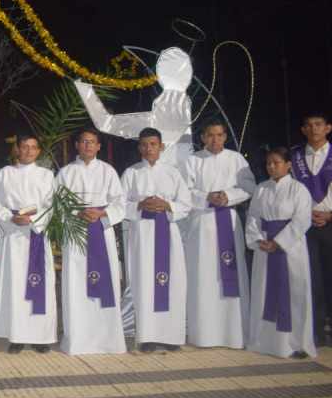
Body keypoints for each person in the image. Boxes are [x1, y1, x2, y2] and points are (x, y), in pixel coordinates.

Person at [180, 119, 256, 349]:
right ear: (202, 137)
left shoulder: (236, 159)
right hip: (202, 223)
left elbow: (249, 187)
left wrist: (227, 195)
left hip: (229, 223)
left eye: (219, 135)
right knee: (204, 275)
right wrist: (207, 197)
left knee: (231, 272)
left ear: (225, 137)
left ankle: (233, 333)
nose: (215, 140)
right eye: (210, 135)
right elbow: (183, 191)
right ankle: (204, 333)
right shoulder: (193, 160)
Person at [53, 128, 127, 355]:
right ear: (76, 145)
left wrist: (102, 214)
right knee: (76, 284)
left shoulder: (108, 171)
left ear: (99, 146)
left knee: (106, 280)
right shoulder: (65, 173)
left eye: (92, 142)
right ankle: (77, 339)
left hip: (101, 233)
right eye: (83, 141)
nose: (87, 145)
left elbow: (120, 203)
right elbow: (55, 205)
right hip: (76, 235)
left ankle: (108, 339)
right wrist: (77, 214)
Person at [121, 127, 192, 353]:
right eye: (144, 144)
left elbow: (186, 204)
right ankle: (148, 336)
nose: (149, 148)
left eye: (153, 144)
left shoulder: (172, 173)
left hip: (167, 233)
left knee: (170, 282)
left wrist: (167, 205)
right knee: (144, 282)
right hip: (142, 232)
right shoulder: (131, 173)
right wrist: (139, 205)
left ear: (161, 147)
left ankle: (171, 336)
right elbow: (120, 205)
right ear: (139, 147)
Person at [246, 147, 317, 359]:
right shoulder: (261, 189)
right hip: (265, 247)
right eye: (269, 163)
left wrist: (278, 242)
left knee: (294, 293)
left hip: (290, 248)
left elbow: (301, 220)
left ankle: (295, 343)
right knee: (264, 291)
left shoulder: (298, 189)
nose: (272, 167)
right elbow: (253, 217)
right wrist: (258, 238)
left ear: (288, 164)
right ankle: (264, 341)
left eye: (277, 162)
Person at [0, 133, 57, 353]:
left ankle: (40, 337)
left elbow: (51, 203)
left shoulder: (47, 175)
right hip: (15, 237)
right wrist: (11, 218)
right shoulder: (5, 174)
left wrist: (34, 220)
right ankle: (16, 336)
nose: (29, 151)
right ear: (17, 150)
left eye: (34, 147)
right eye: (25, 147)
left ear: (39, 151)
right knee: (15, 284)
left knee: (41, 283)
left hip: (36, 234)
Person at [290, 112, 332, 348]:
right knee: (311, 277)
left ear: (328, 128)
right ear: (303, 130)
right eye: (309, 126)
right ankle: (315, 329)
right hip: (306, 225)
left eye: (318, 125)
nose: (314, 129)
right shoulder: (294, 158)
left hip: (330, 222)